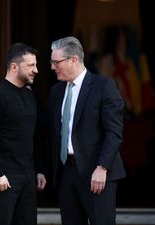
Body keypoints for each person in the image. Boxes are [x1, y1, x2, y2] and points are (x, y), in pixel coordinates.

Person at [48, 36, 126, 225]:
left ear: (73, 60)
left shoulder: (104, 86)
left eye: (56, 62)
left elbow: (113, 132)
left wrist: (102, 167)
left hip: (97, 172)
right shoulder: (56, 91)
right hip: (66, 173)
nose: (52, 67)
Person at [0, 43, 47, 225]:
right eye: (30, 65)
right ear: (14, 67)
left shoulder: (29, 95)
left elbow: (34, 135)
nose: (36, 70)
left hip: (28, 175)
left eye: (35, 65)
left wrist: (39, 170)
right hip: (5, 176)